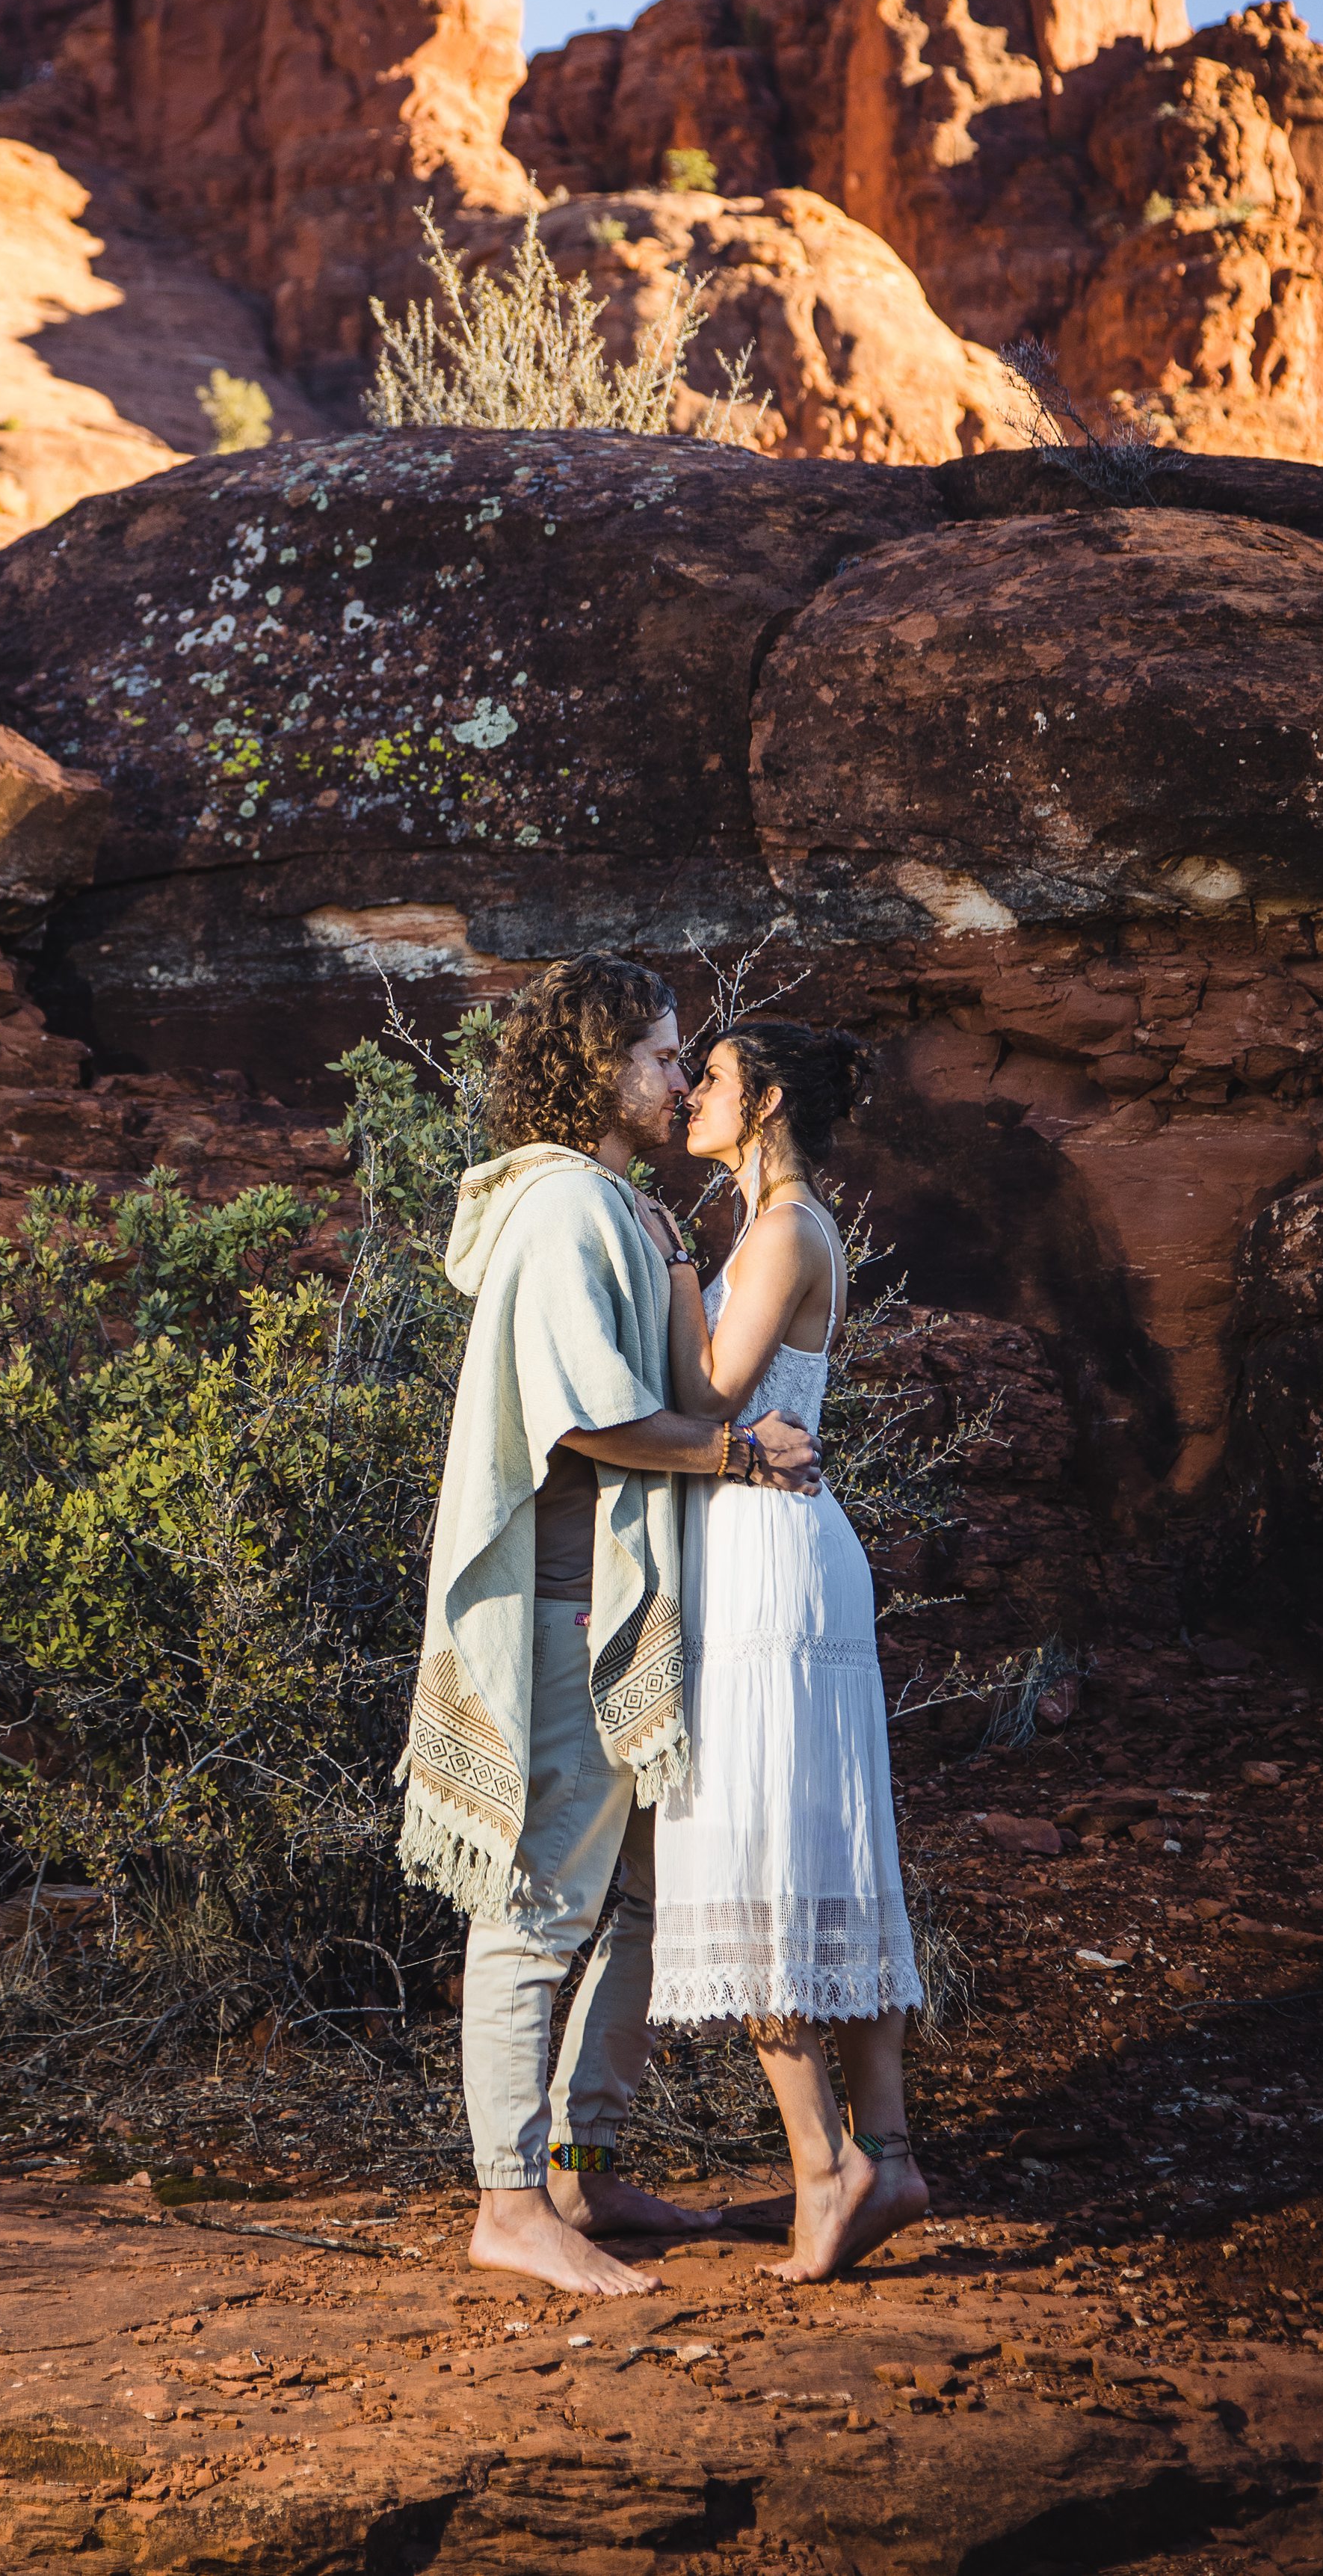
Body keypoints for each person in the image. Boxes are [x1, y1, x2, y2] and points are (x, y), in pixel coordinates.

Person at [396, 955, 824, 2301]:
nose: (680, 1077)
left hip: (627, 1602)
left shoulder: (619, 1207)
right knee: (539, 1905)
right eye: (658, 1053)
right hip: (573, 1604)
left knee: (642, 1900)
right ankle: (509, 2203)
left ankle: (584, 2163)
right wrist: (740, 1461)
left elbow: (674, 1373)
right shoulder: (562, 1207)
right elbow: (581, 1414)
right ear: (597, 1068)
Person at [653, 1019, 929, 2281]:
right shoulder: (786, 1228)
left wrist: (661, 1268)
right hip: (781, 1554)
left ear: (763, 1101)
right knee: (821, 1859)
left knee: (758, 1855)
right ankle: (892, 2156)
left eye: (708, 1078)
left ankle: (825, 2171)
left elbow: (712, 1392)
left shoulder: (779, 1230)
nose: (688, 1094)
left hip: (769, 1569)